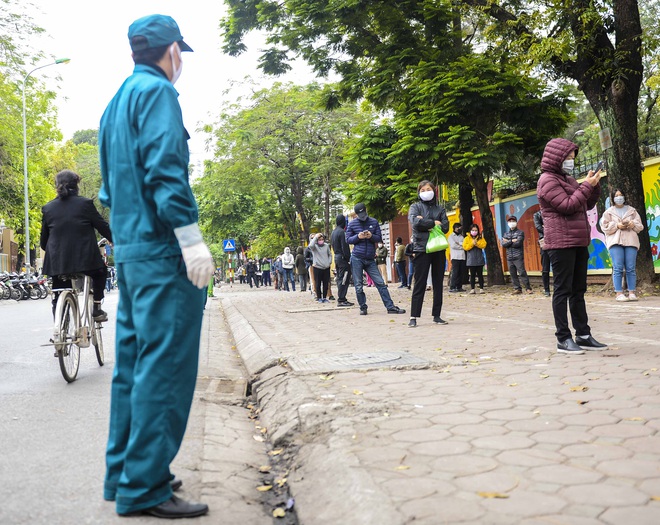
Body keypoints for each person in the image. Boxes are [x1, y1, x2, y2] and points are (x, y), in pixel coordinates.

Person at [98, 14, 213, 518]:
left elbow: (107, 190)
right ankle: (145, 487)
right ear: (171, 53)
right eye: (180, 53)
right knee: (164, 370)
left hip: (130, 255)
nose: (181, 61)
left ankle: (128, 474)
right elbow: (166, 171)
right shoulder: (159, 94)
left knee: (134, 370)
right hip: (163, 253)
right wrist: (190, 240)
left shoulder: (113, 104)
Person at [537, 138, 607, 355]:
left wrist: (593, 186)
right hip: (561, 243)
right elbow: (567, 206)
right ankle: (563, 338)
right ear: (556, 158)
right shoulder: (547, 180)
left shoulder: (567, 179)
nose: (570, 162)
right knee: (562, 290)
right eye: (567, 158)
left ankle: (583, 334)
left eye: (572, 158)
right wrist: (586, 186)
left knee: (578, 290)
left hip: (578, 240)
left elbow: (585, 204)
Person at [40, 170, 113, 320]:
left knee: (58, 290)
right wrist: (115, 240)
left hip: (57, 262)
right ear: (76, 185)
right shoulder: (85, 204)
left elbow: (43, 242)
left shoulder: (48, 208)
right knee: (101, 272)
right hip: (86, 260)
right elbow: (103, 227)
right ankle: (97, 308)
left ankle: (59, 326)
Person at [346, 203, 406, 316]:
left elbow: (379, 238)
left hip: (370, 258)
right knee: (358, 285)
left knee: (380, 283)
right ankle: (363, 307)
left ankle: (390, 307)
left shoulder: (373, 222)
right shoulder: (352, 224)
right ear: (357, 214)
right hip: (357, 257)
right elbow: (348, 239)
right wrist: (358, 237)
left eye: (364, 214)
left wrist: (371, 236)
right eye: (360, 215)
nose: (362, 217)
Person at [407, 180, 450, 328]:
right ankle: (413, 316)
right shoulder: (415, 207)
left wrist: (425, 221)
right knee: (420, 282)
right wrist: (433, 223)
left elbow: (445, 227)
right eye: (423, 190)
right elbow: (415, 223)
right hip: (421, 248)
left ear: (434, 191)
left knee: (438, 282)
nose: (426, 192)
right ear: (419, 192)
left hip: (438, 249)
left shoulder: (440, 209)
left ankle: (436, 315)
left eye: (428, 189)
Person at [601, 188, 644, 302]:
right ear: (613, 198)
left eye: (621, 195)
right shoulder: (609, 212)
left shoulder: (632, 211)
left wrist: (632, 223)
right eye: (617, 195)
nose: (619, 197)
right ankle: (619, 293)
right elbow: (604, 227)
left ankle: (631, 292)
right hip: (615, 241)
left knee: (630, 267)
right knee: (618, 267)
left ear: (624, 197)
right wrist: (616, 225)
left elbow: (640, 226)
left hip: (631, 241)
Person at [501, 215, 533, 295]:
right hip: (509, 257)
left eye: (513, 221)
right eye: (510, 221)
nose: (511, 223)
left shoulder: (520, 232)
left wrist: (508, 241)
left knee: (522, 272)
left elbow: (518, 243)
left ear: (516, 222)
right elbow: (503, 245)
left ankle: (528, 288)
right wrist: (512, 241)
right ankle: (517, 288)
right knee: (512, 273)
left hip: (518, 256)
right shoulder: (506, 233)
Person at [331, 214, 354, 306]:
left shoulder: (334, 232)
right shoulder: (342, 232)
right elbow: (345, 247)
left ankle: (342, 297)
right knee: (344, 278)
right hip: (342, 258)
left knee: (340, 278)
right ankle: (341, 299)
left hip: (336, 257)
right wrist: (348, 258)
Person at [308, 233, 332, 302]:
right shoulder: (314, 247)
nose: (321, 241)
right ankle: (319, 297)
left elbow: (329, 254)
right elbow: (310, 245)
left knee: (325, 283)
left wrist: (329, 262)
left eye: (322, 239)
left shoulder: (326, 246)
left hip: (326, 267)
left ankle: (324, 297)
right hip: (317, 267)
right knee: (318, 283)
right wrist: (315, 237)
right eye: (319, 239)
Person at [463, 224, 486, 294]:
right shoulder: (467, 238)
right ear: (470, 231)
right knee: (472, 275)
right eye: (473, 230)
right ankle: (472, 288)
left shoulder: (480, 238)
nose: (474, 231)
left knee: (480, 275)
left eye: (476, 230)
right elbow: (465, 247)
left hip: (479, 259)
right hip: (471, 260)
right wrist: (472, 244)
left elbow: (484, 245)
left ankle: (481, 288)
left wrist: (477, 244)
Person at [533, 210, 551, 296]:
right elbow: (538, 227)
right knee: (545, 267)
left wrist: (546, 228)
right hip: (543, 241)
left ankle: (559, 288)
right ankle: (546, 289)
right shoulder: (537, 214)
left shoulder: (553, 212)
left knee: (558, 266)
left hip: (555, 240)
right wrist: (550, 229)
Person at [448, 223, 466, 293]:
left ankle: (459, 286)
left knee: (461, 272)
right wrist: (461, 246)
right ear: (455, 228)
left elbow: (465, 245)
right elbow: (453, 245)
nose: (460, 229)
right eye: (459, 228)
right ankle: (452, 286)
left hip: (462, 256)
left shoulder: (462, 237)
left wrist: (459, 243)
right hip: (455, 257)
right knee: (455, 272)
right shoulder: (451, 237)